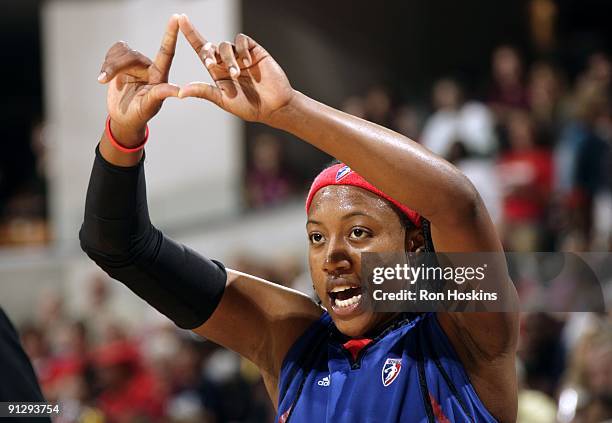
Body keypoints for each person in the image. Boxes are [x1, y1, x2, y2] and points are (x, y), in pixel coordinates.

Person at [80, 14, 519, 422]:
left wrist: (288, 111)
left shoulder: (466, 335)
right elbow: (120, 246)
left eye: (359, 232)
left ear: (415, 248)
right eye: (316, 238)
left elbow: (457, 204)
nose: (333, 256)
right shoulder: (291, 338)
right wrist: (123, 134)